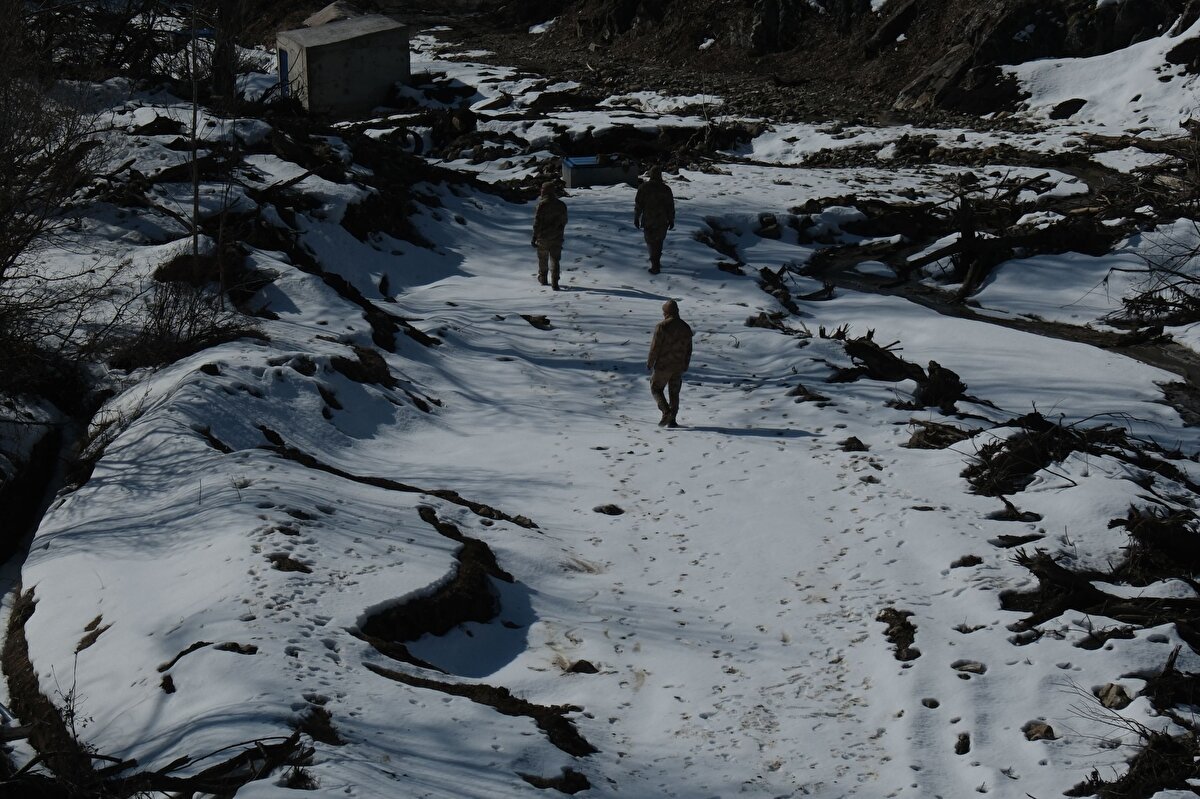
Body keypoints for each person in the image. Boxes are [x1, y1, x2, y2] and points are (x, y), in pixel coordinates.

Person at [647, 299, 693, 428]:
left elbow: (655, 347)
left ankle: (666, 412)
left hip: (663, 365)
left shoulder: (662, 326)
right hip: (678, 366)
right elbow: (689, 348)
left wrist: (650, 362)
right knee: (674, 392)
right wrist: (686, 364)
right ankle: (672, 420)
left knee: (656, 388)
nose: (663, 314)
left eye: (664, 312)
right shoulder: (686, 327)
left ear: (667, 312)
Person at [634, 166, 675, 274]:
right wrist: (671, 219)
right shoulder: (666, 189)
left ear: (651, 174)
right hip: (662, 220)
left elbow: (638, 205)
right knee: (658, 241)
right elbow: (670, 206)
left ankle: (655, 264)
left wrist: (636, 217)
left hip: (648, 219)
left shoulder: (643, 187)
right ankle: (656, 262)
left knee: (650, 241)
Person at [531, 181, 568, 290]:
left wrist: (534, 237)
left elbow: (537, 223)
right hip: (557, 237)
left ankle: (543, 278)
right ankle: (555, 281)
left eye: (542, 189)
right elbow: (564, 221)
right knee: (555, 259)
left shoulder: (541, 205)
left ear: (545, 191)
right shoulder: (561, 205)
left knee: (543, 258)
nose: (541, 191)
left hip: (543, 237)